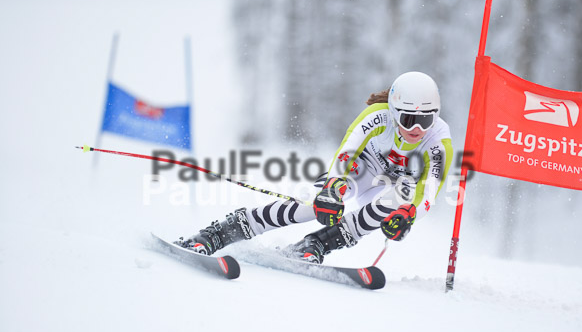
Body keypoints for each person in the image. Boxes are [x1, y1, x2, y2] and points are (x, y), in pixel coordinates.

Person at [176, 71, 453, 263]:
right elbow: (347, 151)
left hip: (386, 185)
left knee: (402, 198)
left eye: (426, 120)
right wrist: (333, 188)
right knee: (312, 206)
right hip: (358, 169)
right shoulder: (377, 116)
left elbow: (429, 190)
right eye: (407, 119)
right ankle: (220, 232)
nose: (417, 128)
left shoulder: (439, 141)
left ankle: (316, 244)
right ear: (393, 111)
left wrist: (409, 215)